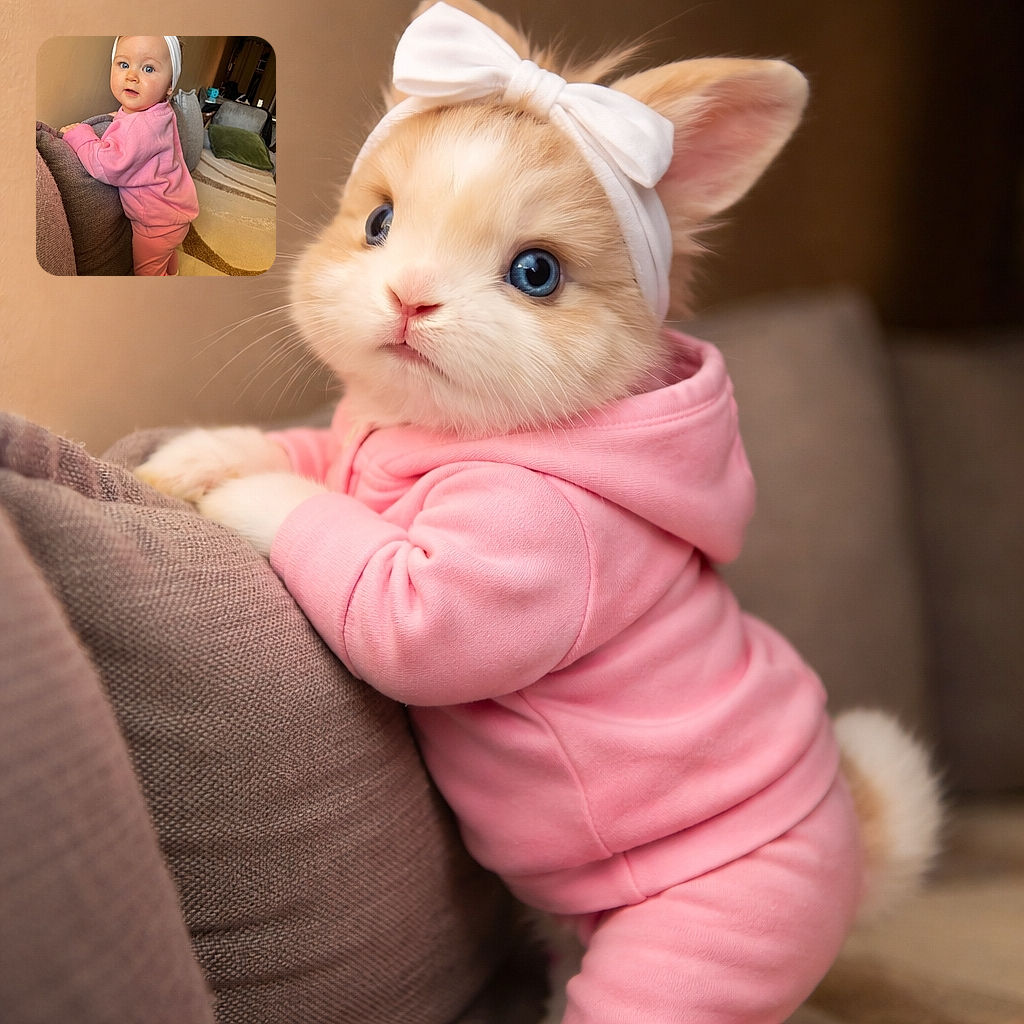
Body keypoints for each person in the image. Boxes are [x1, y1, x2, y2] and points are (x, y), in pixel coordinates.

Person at [61, 36, 199, 276]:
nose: (132, 76)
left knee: (146, 274)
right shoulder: (160, 111)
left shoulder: (141, 127)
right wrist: (120, 117)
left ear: (169, 85)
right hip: (175, 212)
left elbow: (108, 165)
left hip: (156, 224)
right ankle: (173, 273)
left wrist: (79, 134)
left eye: (148, 68)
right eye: (124, 64)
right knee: (165, 255)